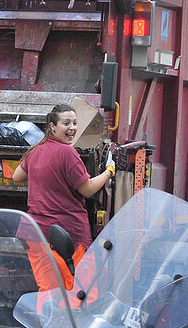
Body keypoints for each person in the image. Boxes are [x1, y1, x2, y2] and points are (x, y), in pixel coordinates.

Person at [12, 103, 113, 288]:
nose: (72, 128)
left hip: (36, 234)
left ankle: (48, 318)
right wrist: (109, 172)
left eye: (75, 123)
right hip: (69, 236)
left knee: (49, 290)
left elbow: (16, 176)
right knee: (80, 290)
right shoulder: (68, 153)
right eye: (66, 123)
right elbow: (88, 190)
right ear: (53, 126)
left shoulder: (35, 151)